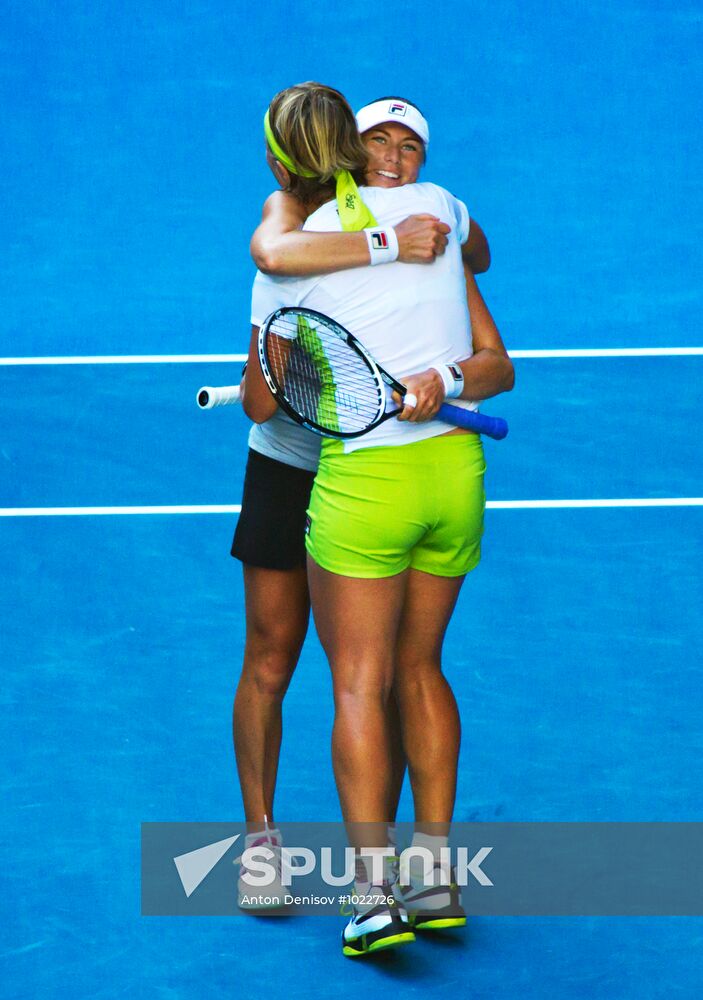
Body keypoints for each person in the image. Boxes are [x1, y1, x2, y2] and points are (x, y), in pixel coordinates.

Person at [239, 83, 514, 957]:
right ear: (346, 152)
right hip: (308, 467)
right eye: (376, 141)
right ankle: (264, 843)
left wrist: (444, 373)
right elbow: (264, 377)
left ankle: (390, 888)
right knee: (275, 657)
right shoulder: (302, 229)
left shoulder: (423, 220)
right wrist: (393, 246)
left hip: (365, 478)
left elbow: (481, 297)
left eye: (409, 144)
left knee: (380, 677)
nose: (393, 155)